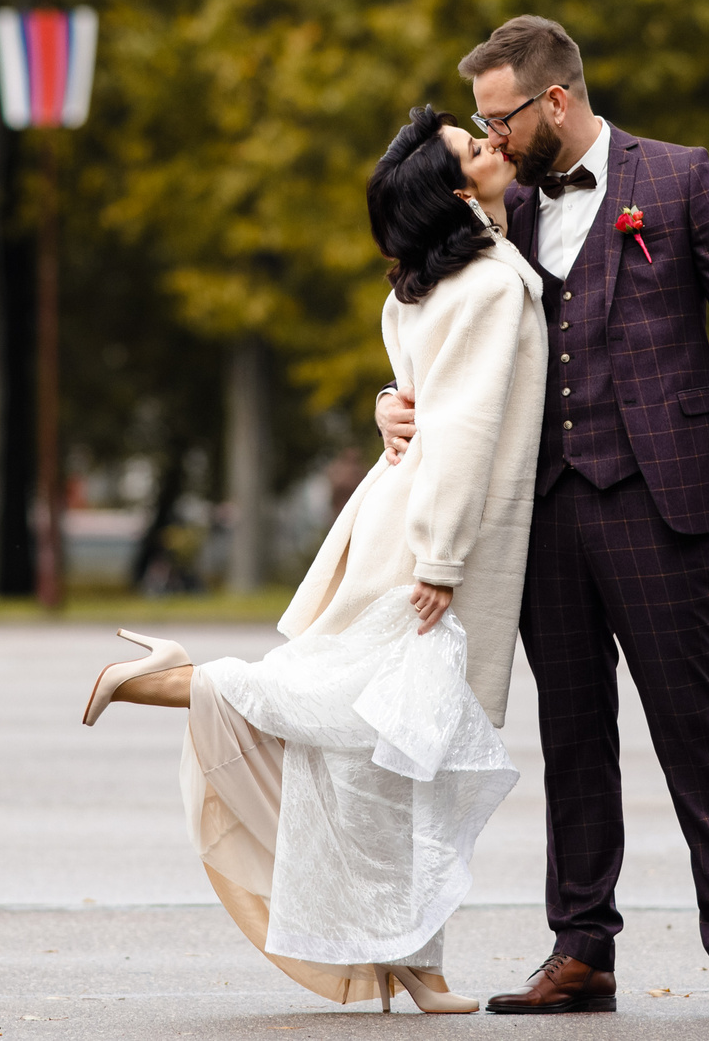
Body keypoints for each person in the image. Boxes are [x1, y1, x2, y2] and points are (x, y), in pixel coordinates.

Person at [377, 16, 709, 1021]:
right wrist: (390, 399)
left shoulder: (679, 179)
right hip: (543, 506)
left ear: (554, 100)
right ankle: (581, 949)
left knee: (693, 729)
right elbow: (432, 315)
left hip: (663, 500)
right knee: (572, 735)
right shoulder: (499, 204)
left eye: (499, 117)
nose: (491, 136)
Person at [81, 107, 545, 1015]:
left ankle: (413, 957)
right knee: (371, 729)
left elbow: (417, 395)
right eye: (472, 145)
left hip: (406, 520)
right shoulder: (489, 284)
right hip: (429, 537)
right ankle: (183, 680)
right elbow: (463, 428)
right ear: (457, 194)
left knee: (395, 751)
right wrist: (442, 558)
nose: (492, 141)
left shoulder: (427, 286)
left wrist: (387, 405)